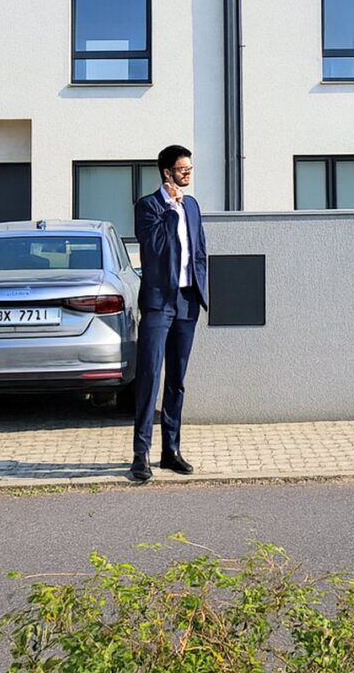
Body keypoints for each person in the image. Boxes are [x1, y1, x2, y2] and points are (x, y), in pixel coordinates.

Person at [129, 144, 208, 483]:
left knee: (177, 379)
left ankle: (170, 451)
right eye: (182, 169)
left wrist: (202, 289)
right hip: (160, 302)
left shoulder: (193, 205)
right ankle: (141, 454)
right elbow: (155, 247)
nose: (187, 174)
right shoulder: (148, 206)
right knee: (150, 376)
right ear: (167, 172)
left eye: (189, 168)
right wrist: (171, 209)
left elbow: (199, 250)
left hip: (188, 300)